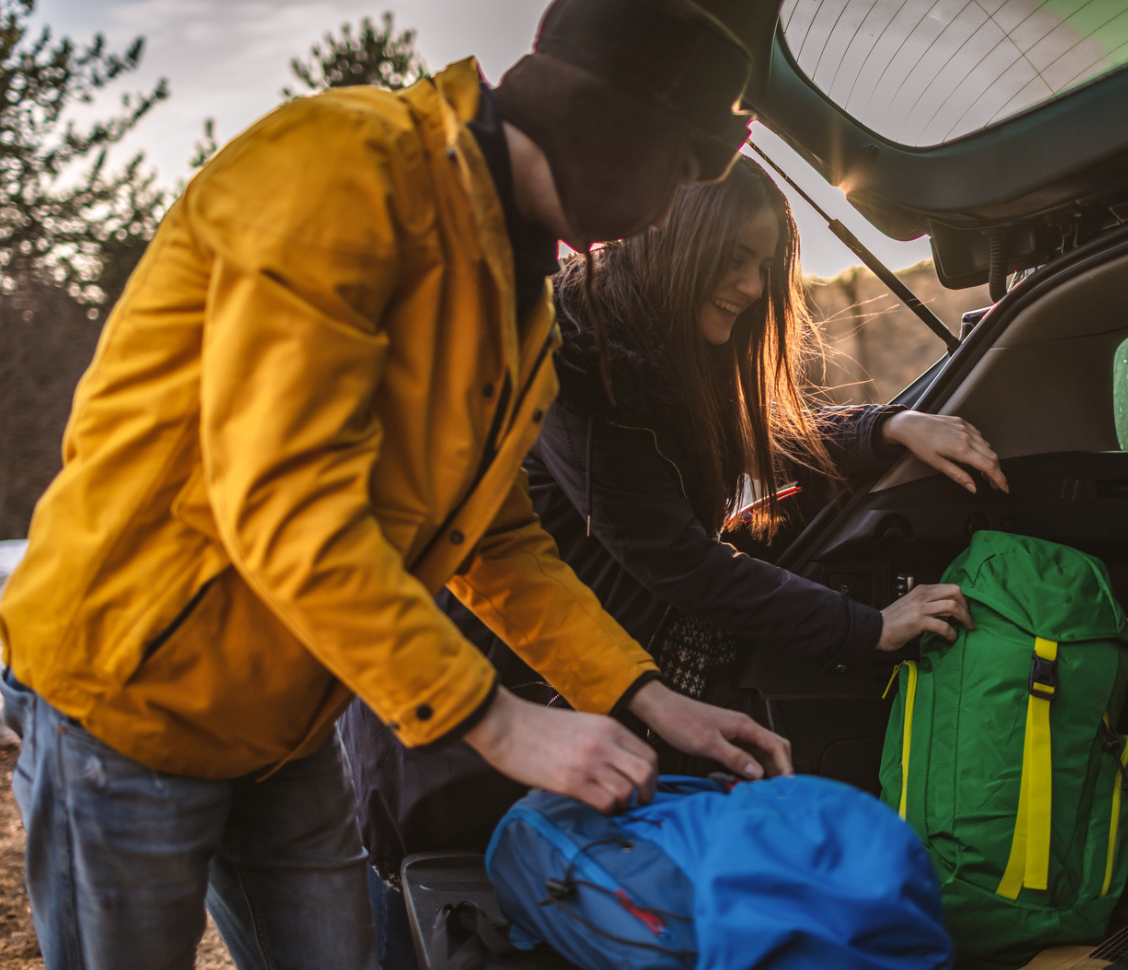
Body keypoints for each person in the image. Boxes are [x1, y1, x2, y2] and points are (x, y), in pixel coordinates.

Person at [0, 2, 792, 968]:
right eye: (678, 168)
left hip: (291, 713)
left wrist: (644, 694)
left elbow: (495, 544)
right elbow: (283, 497)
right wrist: (493, 721)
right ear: (619, 128)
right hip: (131, 695)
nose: (671, 206)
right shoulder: (344, 172)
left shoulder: (515, 296)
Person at [346, 155, 1010, 968]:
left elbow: (754, 431)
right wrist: (868, 627)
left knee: (554, 915)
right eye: (735, 257)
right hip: (466, 711)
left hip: (566, 695)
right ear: (677, 244)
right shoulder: (579, 367)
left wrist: (887, 427)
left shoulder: (660, 350)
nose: (751, 282)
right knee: (434, 933)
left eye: (764, 264)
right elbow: (679, 561)